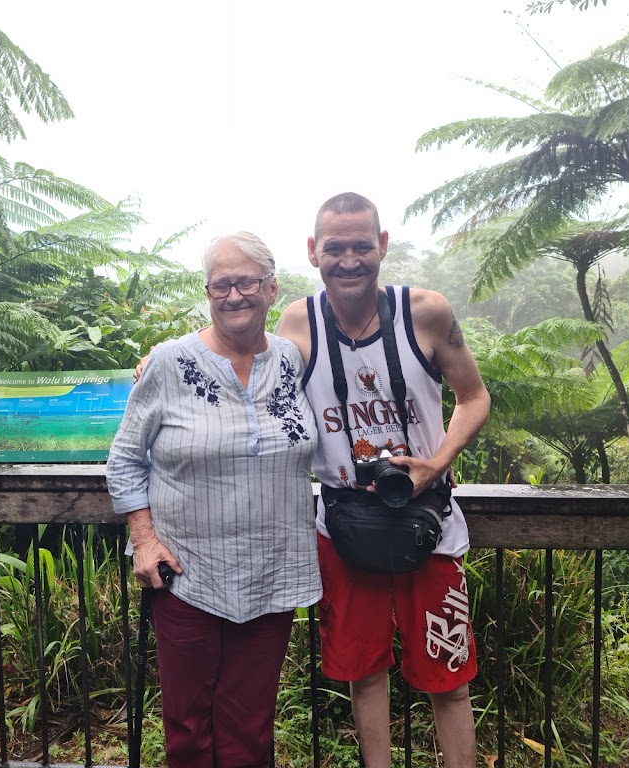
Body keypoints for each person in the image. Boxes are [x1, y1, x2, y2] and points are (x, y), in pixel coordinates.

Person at [275, 192, 491, 768]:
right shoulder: (298, 321)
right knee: (364, 672)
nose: (350, 260)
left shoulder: (426, 312)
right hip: (342, 520)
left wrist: (435, 462)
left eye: (362, 246)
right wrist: (164, 358)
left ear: (383, 246)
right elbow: (244, 365)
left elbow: (473, 397)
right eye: (336, 248)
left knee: (448, 675)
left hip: (429, 520)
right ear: (314, 251)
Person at [106, 231, 321, 768]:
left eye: (245, 282)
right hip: (186, 574)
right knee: (187, 726)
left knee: (251, 725)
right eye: (221, 284)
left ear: (271, 289)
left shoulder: (293, 362)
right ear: (207, 292)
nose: (233, 295)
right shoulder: (170, 363)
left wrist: (431, 453)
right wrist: (145, 540)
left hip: (272, 573)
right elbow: (126, 459)